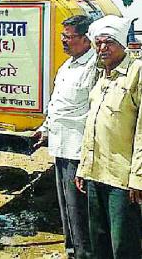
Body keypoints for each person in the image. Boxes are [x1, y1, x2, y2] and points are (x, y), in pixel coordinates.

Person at [75, 15, 142, 259]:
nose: (103, 48)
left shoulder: (136, 73)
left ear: (123, 44)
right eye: (99, 42)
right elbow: (91, 126)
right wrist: (83, 168)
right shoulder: (101, 76)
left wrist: (138, 177)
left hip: (122, 181)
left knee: (124, 245)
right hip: (95, 175)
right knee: (99, 241)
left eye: (110, 42)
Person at [33, 15, 94, 259]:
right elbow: (57, 104)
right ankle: (72, 251)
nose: (63, 41)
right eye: (62, 36)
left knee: (79, 210)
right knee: (66, 208)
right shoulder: (68, 65)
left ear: (86, 39)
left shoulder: (93, 68)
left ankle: (84, 254)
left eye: (68, 37)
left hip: (78, 150)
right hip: (60, 146)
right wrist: (45, 129)